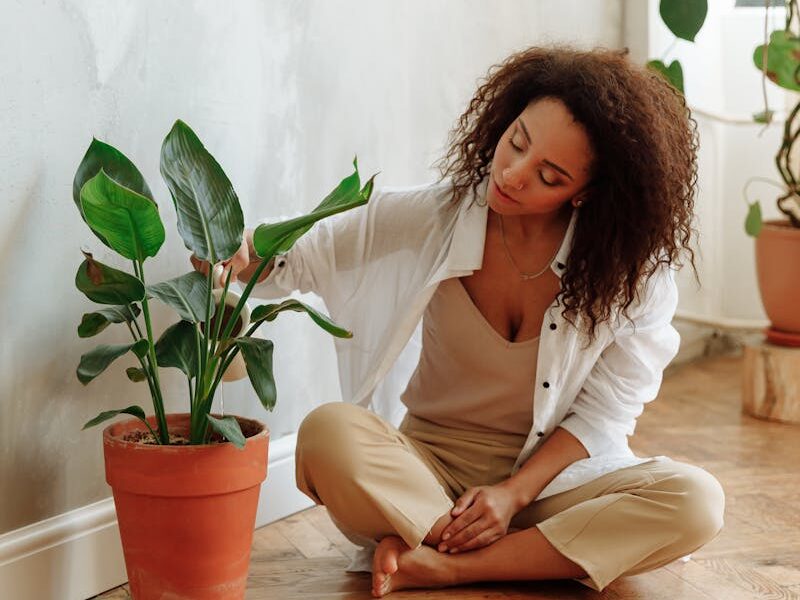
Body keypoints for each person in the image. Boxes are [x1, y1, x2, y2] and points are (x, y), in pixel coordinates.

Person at [192, 45, 725, 597]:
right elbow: (307, 250)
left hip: (552, 484)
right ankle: (533, 553)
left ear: (586, 193)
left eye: (549, 175)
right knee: (327, 433)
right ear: (505, 119)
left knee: (697, 501)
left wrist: (512, 496)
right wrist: (240, 251)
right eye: (516, 142)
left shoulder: (630, 274)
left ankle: (450, 563)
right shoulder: (436, 216)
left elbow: (606, 413)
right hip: (423, 470)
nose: (513, 174)